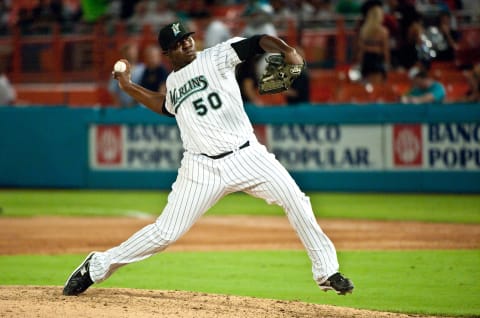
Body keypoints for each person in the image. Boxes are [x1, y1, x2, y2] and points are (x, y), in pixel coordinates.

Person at [62, 21, 354, 297]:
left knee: (296, 199)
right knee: (165, 233)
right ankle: (97, 265)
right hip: (200, 167)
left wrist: (286, 49)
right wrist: (127, 87)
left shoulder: (217, 56)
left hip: (247, 155)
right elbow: (164, 105)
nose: (186, 43)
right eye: (178, 43)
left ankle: (327, 272)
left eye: (187, 37)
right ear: (167, 54)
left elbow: (256, 43)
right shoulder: (173, 82)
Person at [357, 2, 390, 85]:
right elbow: (385, 50)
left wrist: (360, 63)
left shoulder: (364, 30)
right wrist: (387, 64)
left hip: (366, 59)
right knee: (377, 87)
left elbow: (361, 49)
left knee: (366, 86)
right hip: (377, 60)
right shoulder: (383, 32)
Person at [108, 41, 145, 107]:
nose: (131, 54)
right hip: (123, 107)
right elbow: (112, 90)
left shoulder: (143, 69)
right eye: (129, 52)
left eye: (133, 52)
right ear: (124, 54)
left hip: (140, 107)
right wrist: (118, 104)